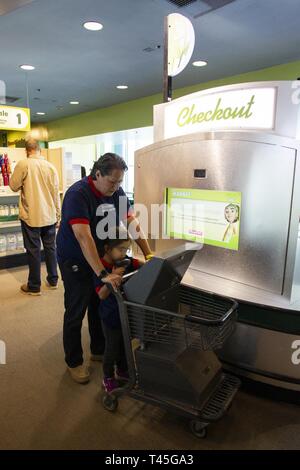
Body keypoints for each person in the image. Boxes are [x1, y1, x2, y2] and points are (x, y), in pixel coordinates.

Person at [56, 153, 152, 384]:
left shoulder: (116, 192)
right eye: (112, 181)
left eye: (120, 182)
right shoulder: (78, 194)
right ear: (97, 174)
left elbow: (131, 222)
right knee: (76, 308)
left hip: (99, 255)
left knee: (98, 302)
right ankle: (74, 361)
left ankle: (98, 349)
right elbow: (83, 236)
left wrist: (148, 253)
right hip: (75, 258)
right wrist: (102, 273)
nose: (117, 186)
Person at [9, 138, 60, 295]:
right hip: (49, 215)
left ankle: (34, 285)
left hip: (31, 215)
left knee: (33, 250)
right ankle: (53, 280)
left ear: (26, 150)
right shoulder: (51, 167)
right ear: (40, 150)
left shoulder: (23, 164)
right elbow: (55, 193)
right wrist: (58, 214)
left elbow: (13, 186)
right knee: (51, 248)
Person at [94, 227, 142, 393]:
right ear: (108, 248)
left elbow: (139, 264)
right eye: (121, 249)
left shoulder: (125, 261)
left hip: (124, 315)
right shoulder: (100, 267)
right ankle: (107, 377)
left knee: (125, 345)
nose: (124, 253)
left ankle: (122, 370)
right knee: (112, 348)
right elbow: (101, 294)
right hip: (110, 317)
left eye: (126, 249)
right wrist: (113, 278)